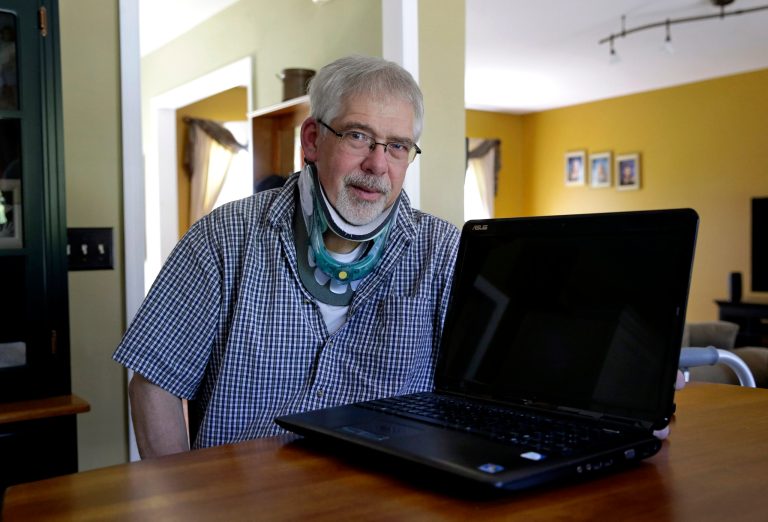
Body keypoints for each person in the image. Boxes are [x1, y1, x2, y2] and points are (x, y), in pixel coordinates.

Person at [113, 55, 460, 458]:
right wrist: (183, 503)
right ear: (312, 139)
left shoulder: (442, 252)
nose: (377, 164)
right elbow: (154, 383)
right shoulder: (224, 238)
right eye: (358, 136)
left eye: (397, 146)